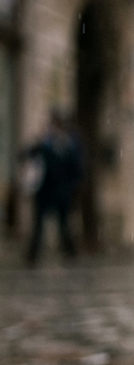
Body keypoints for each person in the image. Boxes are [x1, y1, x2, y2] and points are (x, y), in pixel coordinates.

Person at [23, 110, 82, 265]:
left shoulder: (67, 143)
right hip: (48, 192)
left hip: (57, 192)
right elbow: (29, 156)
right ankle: (35, 254)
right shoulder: (48, 143)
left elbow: (76, 168)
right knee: (44, 226)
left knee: (61, 224)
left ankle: (69, 252)